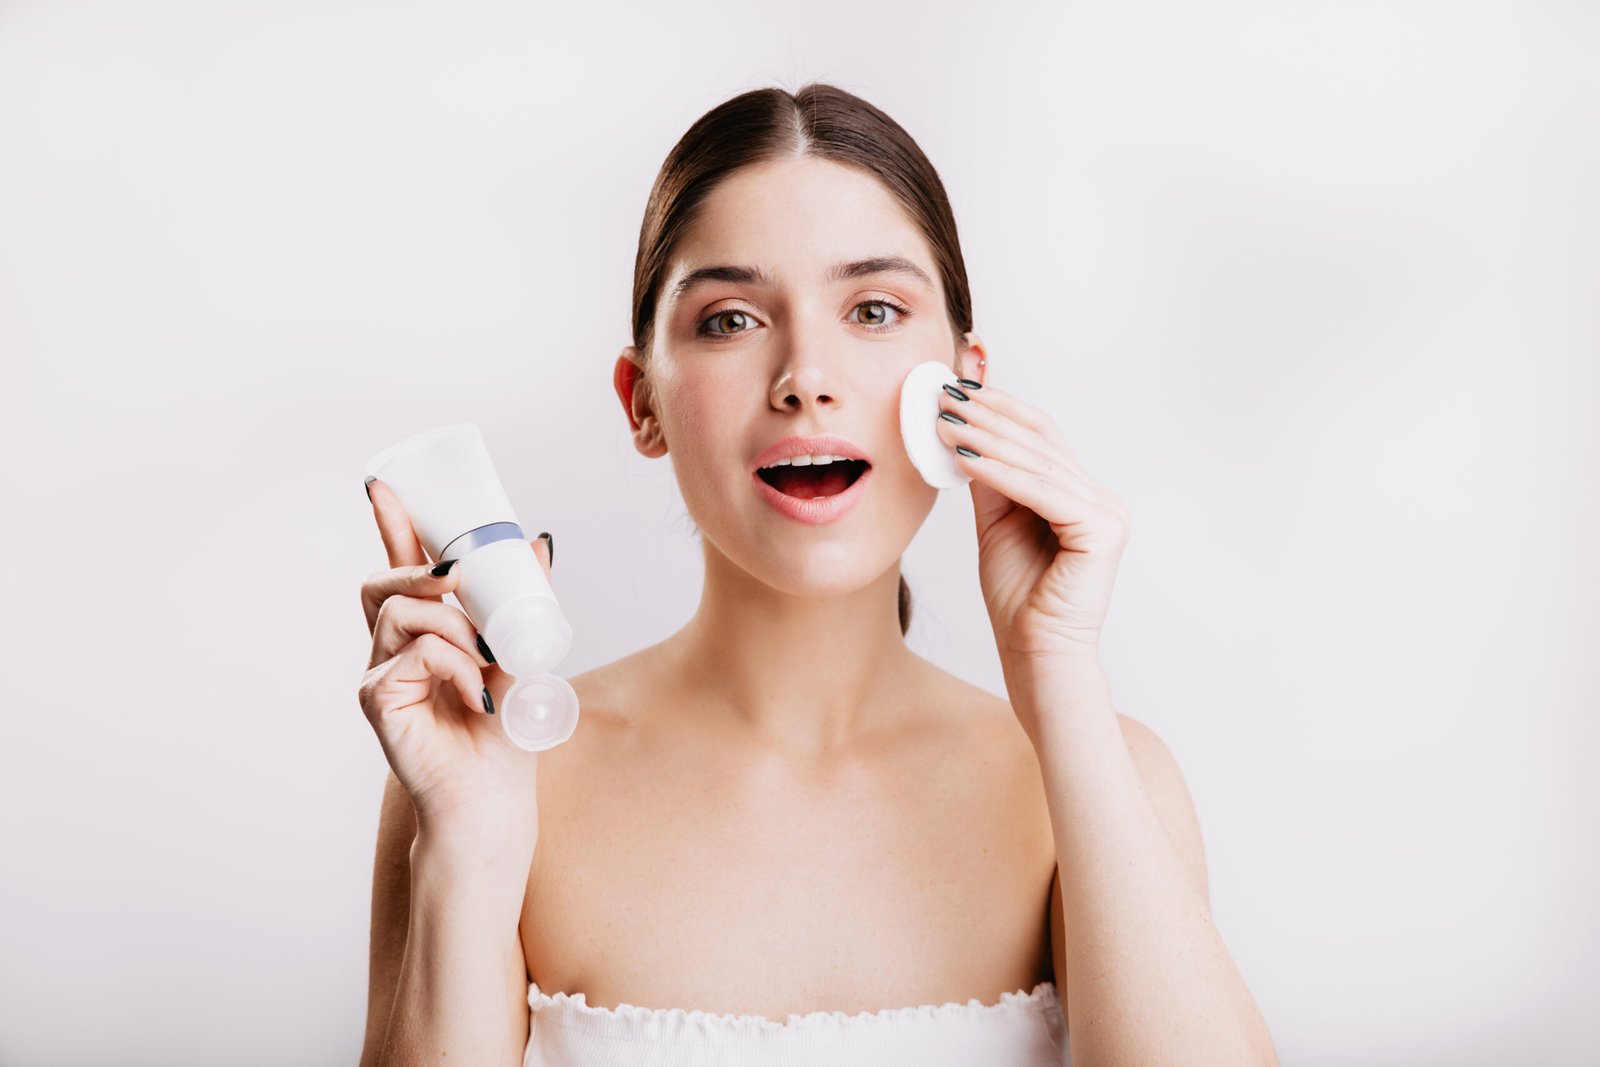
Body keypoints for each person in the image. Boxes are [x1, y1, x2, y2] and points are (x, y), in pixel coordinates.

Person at [356, 83, 1278, 1066]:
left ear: (964, 388)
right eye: (730, 319)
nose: (806, 375)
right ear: (642, 403)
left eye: (873, 309)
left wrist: (1057, 667)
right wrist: (469, 847)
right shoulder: (487, 773)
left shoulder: (1101, 772)